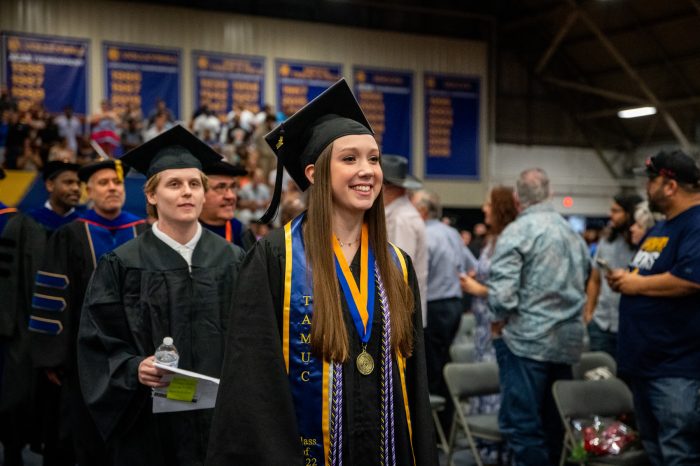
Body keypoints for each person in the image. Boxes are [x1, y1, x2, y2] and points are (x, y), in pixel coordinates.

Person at [206, 79, 437, 465]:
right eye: (350, 159)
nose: (367, 171)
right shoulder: (275, 259)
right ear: (314, 172)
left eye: (373, 159)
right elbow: (254, 383)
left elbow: (414, 382)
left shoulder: (397, 264)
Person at [76, 125, 244, 466]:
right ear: (151, 196)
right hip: (150, 428)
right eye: (174, 184)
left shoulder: (232, 259)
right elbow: (97, 341)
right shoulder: (122, 264)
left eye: (195, 184)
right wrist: (134, 367)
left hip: (221, 424)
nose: (187, 193)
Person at [29, 159, 147, 465]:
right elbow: (53, 297)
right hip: (83, 357)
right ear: (88, 191)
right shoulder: (70, 235)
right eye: (104, 182)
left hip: (137, 354)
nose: (112, 188)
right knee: (83, 436)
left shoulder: (143, 231)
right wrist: (53, 356)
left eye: (117, 182)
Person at [487, 168, 590, 466]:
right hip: (567, 342)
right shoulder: (572, 233)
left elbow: (502, 296)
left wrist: (499, 320)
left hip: (526, 342)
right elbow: (585, 276)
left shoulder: (517, 232)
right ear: (550, 193)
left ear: (518, 198)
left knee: (522, 427)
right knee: (554, 425)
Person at [608, 150, 700, 465]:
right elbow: (646, 273)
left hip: (676, 369)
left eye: (651, 180)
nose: (647, 188)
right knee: (655, 452)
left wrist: (636, 285)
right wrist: (625, 278)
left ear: (670, 185)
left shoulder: (696, 224)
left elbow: (691, 280)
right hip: (646, 365)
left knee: (680, 454)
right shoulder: (661, 228)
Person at [0, 161, 82, 466]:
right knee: (19, 396)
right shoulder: (24, 224)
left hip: (70, 331)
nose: (75, 189)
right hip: (26, 326)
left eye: (78, 184)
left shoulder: (86, 227)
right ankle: (12, 450)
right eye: (68, 182)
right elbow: (8, 280)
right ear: (49, 185)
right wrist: (8, 326)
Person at [459, 186, 517, 463]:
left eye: (489, 205)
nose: (484, 209)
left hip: (499, 326)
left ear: (501, 208)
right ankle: (485, 447)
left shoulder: (509, 240)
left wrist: (477, 288)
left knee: (497, 385)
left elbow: (508, 291)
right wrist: (476, 278)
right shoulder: (492, 240)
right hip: (484, 326)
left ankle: (497, 450)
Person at [412, 189, 475, 432]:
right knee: (444, 361)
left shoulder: (425, 235)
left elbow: (417, 276)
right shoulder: (451, 233)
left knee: (433, 369)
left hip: (435, 306)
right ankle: (447, 425)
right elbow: (473, 267)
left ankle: (439, 430)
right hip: (455, 305)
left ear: (423, 210)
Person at [583, 193, 642, 359]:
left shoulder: (643, 244)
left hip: (630, 327)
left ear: (630, 214)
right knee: (598, 377)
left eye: (616, 211)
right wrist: (589, 313)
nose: (611, 215)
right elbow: (594, 279)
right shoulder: (606, 241)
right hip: (601, 325)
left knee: (626, 381)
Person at [382, 154, 428, 327]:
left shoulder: (401, 218)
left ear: (385, 187)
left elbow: (399, 270)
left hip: (401, 314)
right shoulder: (400, 214)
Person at [199, 160, 250, 249]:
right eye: (220, 187)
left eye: (233, 187)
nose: (231, 196)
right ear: (199, 193)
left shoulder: (240, 232)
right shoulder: (185, 232)